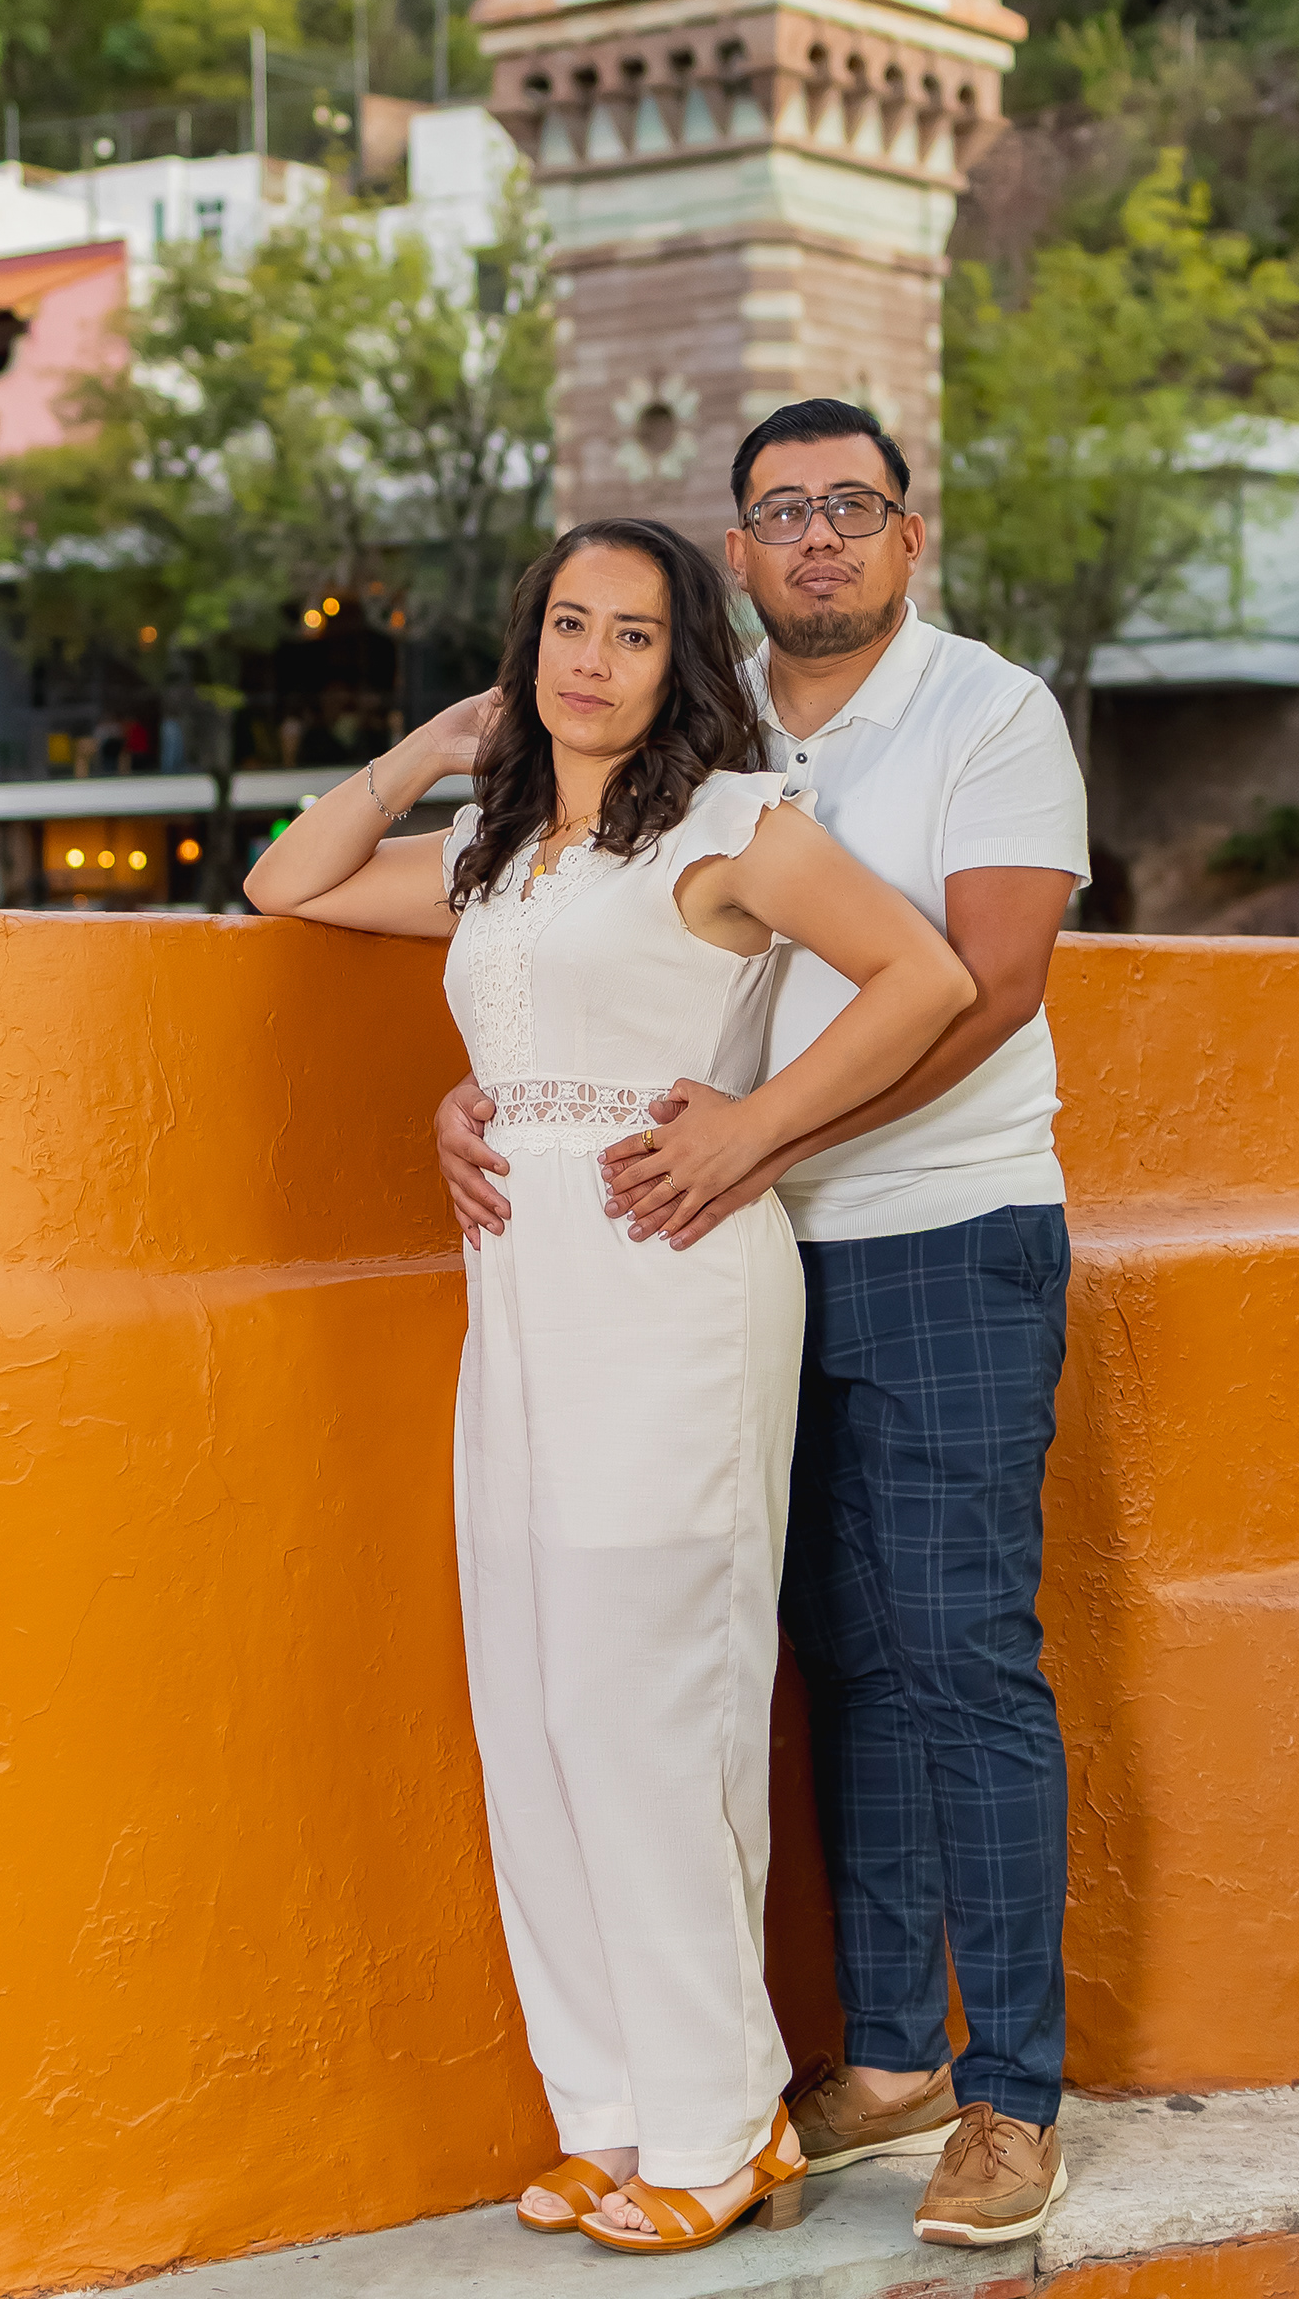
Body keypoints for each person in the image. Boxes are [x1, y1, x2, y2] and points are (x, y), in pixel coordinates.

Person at [245, 516, 974, 2258]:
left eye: (632, 634)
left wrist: (759, 1125)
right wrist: (439, 743)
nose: (590, 660)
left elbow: (931, 977)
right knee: (539, 1702)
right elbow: (287, 882)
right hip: (522, 1300)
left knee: (654, 1705)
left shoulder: (734, 828)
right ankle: (614, 2115)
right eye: (566, 626)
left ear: (681, 663)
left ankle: (726, 2124)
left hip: (674, 1287)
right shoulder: (497, 850)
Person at [438, 404, 1088, 2251]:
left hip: (942, 1227)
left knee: (962, 1655)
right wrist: (505, 1097)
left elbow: (988, 983)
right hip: (730, 1257)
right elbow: (594, 965)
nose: (818, 538)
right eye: (782, 511)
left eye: (851, 507)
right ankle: (882, 2058)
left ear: (907, 533)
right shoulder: (697, 746)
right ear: (736, 554)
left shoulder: (988, 713)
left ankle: (1011, 2095)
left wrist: (757, 1135)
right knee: (820, 1666)